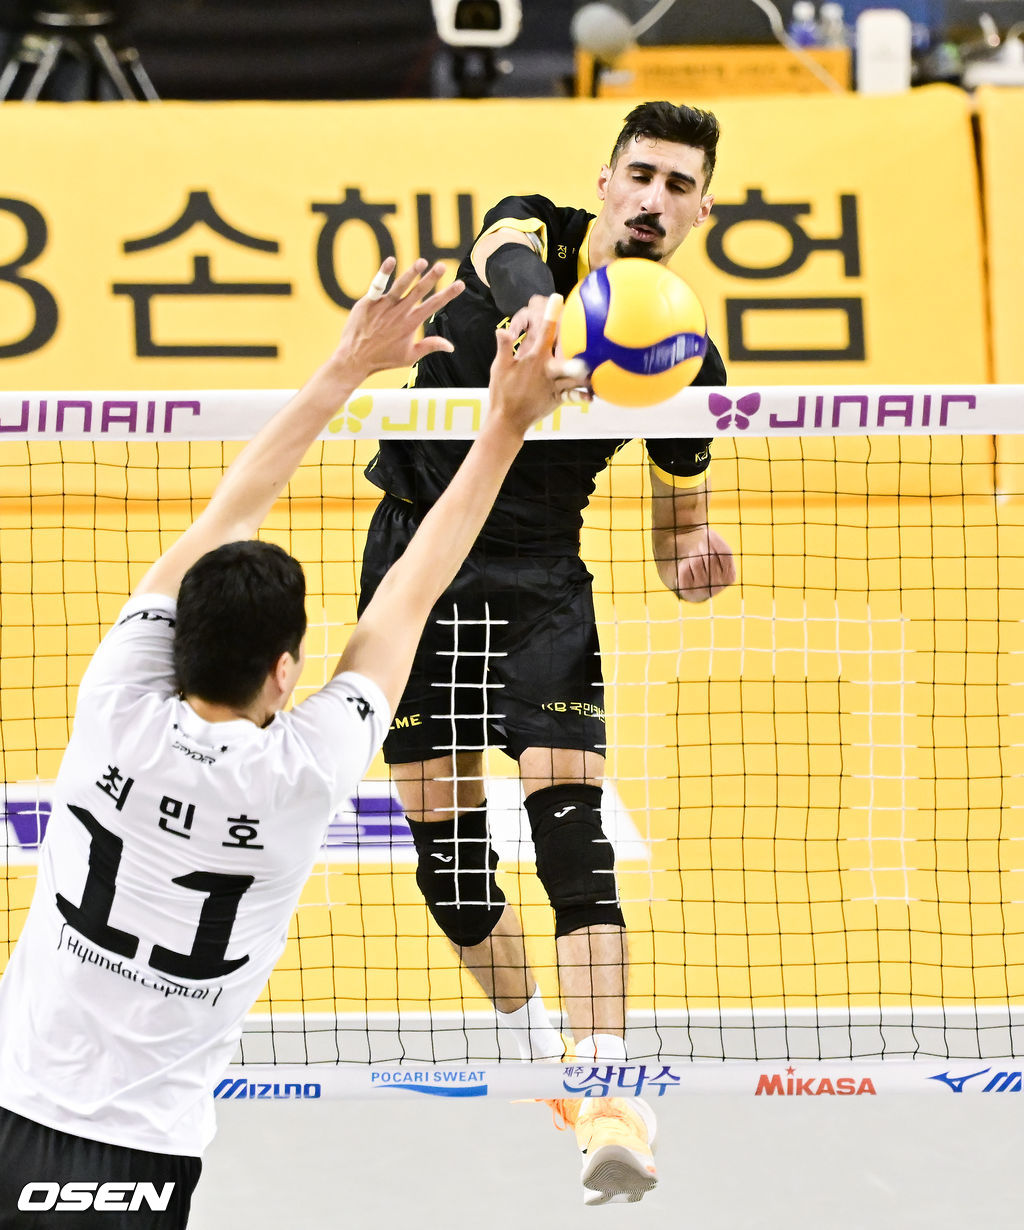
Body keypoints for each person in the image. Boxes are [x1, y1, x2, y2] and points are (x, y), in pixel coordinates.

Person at [0, 259, 582, 1229]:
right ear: (285, 673)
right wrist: (506, 427)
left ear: (173, 638)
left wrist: (346, 365)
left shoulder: (114, 701)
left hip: (10, 1090)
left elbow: (232, 509)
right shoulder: (305, 772)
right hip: (143, 1150)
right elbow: (411, 593)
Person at [357, 101, 737, 1205]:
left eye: (678, 185)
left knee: (574, 838)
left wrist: (692, 556)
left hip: (539, 585)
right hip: (416, 563)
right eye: (640, 176)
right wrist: (540, 315)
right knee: (452, 870)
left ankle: (607, 1093)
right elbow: (498, 248)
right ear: (607, 184)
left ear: (702, 212)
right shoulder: (535, 236)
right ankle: (542, 1058)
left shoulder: (687, 358)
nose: (654, 199)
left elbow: (676, 531)